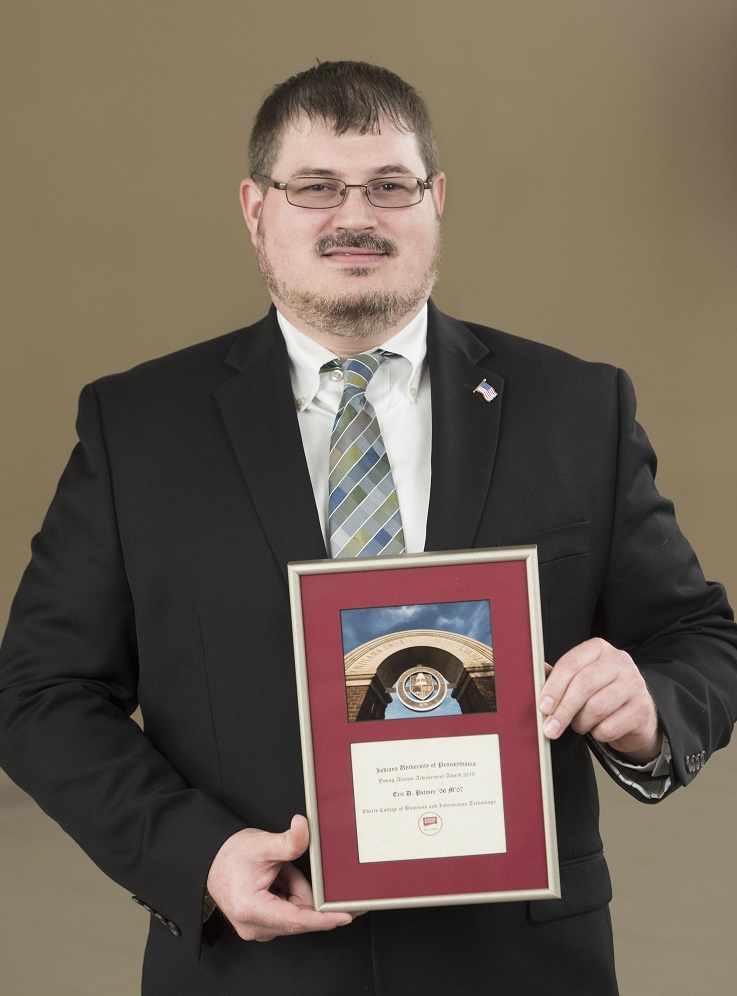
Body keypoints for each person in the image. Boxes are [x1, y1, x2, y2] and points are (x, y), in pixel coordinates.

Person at [1, 60, 736, 996]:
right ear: (254, 207)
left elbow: (697, 639)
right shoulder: (140, 428)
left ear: (435, 202)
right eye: (315, 187)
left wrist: (650, 711)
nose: (355, 216)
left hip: (524, 964)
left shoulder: (573, 407)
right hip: (254, 966)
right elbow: (40, 692)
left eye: (389, 186)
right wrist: (197, 857)